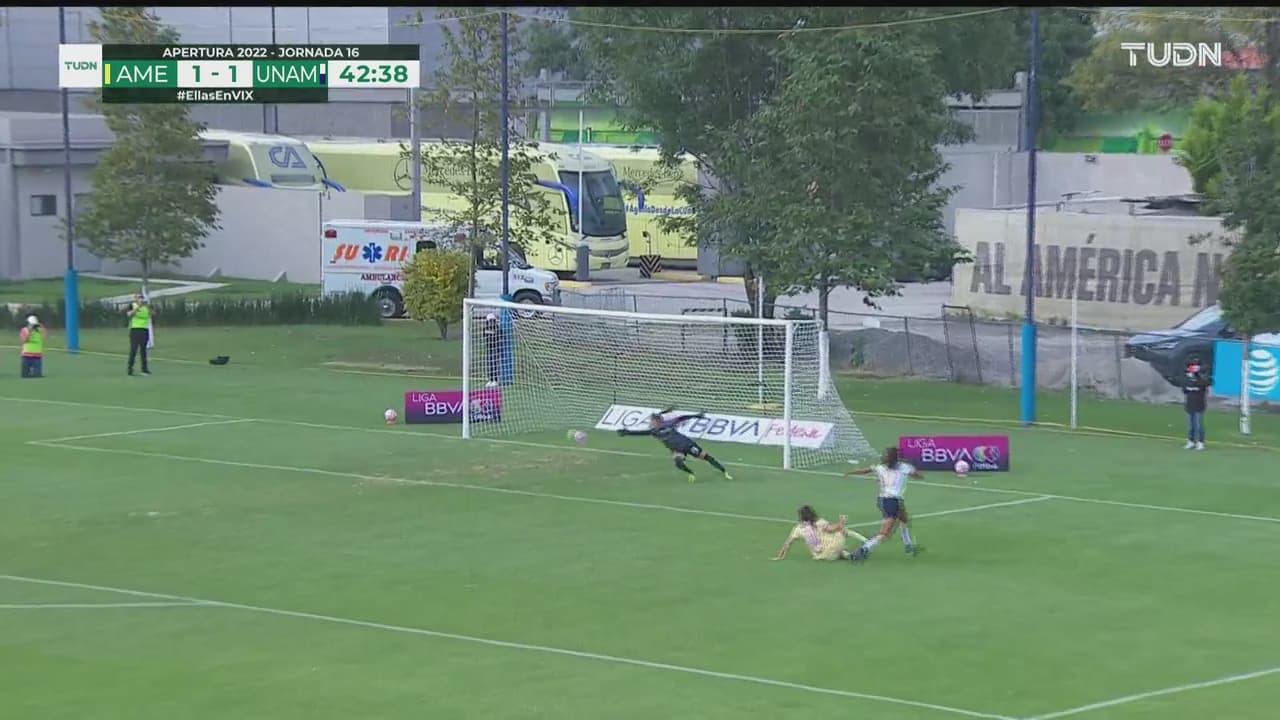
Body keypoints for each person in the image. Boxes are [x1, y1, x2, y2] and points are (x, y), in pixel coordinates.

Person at [844, 446, 923, 561]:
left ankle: (908, 545)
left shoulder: (880, 467)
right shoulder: (904, 467)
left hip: (884, 500)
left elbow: (866, 470)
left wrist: (851, 472)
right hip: (892, 502)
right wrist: (912, 470)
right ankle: (864, 549)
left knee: (904, 518)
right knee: (885, 534)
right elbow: (917, 475)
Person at [616, 408, 733, 482]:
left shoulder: (668, 424)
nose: (651, 423)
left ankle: (724, 472)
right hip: (677, 450)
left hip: (687, 444)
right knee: (678, 463)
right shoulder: (653, 431)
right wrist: (627, 433)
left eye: (652, 421)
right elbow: (640, 433)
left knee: (706, 457)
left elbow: (682, 418)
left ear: (658, 421)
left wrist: (696, 415)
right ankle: (691, 473)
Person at [773, 505, 867, 562]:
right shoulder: (820, 522)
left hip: (820, 556)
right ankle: (866, 541)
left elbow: (787, 544)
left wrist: (780, 556)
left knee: (830, 546)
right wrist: (841, 521)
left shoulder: (797, 529)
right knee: (841, 531)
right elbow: (833, 529)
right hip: (832, 548)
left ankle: (848, 555)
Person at [1182, 355, 1210, 450]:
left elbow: (1204, 385)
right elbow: (1184, 389)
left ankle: (1200, 442)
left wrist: (1197, 376)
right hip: (1189, 404)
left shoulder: (1202, 378)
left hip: (1199, 404)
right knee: (1190, 425)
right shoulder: (1186, 378)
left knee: (1199, 425)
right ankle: (1191, 441)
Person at [126, 292, 152, 376]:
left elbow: (152, 314)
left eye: (141, 297)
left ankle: (144, 369)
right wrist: (137, 308)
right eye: (139, 297)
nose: (140, 299)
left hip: (144, 330)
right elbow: (129, 314)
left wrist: (148, 308)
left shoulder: (146, 306)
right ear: (136, 299)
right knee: (133, 349)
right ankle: (130, 369)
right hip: (135, 330)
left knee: (143, 350)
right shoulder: (132, 305)